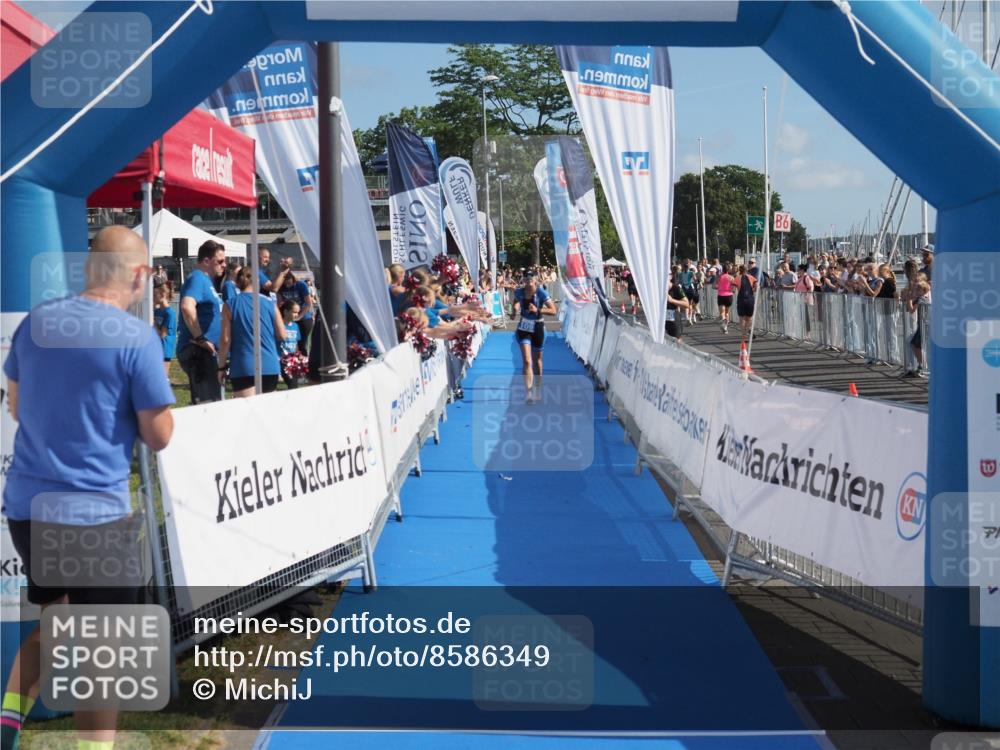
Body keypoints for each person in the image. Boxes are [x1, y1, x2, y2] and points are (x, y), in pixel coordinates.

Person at [1, 226, 174, 750]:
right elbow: (158, 435)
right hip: (93, 514)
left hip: (28, 509)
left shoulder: (37, 322)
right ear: (139, 275)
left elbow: (17, 405)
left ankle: (7, 724)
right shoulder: (136, 337)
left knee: (56, 624)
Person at [217, 268, 286, 397]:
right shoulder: (270, 304)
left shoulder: (230, 305)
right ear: (258, 282)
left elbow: (225, 339)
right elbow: (282, 334)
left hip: (243, 365)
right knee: (266, 408)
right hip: (269, 364)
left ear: (237, 283)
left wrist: (221, 367)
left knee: (247, 408)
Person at [177, 240, 226, 404]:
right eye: (220, 261)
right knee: (208, 406)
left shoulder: (206, 281)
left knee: (213, 404)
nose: (224, 265)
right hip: (199, 352)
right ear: (206, 261)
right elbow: (187, 306)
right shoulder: (197, 278)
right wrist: (200, 338)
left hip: (206, 352)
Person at [512, 279, 557, 403]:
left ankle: (537, 387)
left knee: (537, 361)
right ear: (524, 280)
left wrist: (538, 310)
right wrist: (514, 310)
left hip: (538, 327)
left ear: (535, 280)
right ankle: (528, 393)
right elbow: (516, 301)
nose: (529, 280)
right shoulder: (519, 292)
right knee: (527, 360)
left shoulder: (541, 293)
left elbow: (553, 310)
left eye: (531, 277)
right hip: (524, 327)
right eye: (527, 277)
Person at [153, 280, 178, 377]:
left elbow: (162, 335)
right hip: (156, 348)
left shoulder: (170, 313)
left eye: (155, 295)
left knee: (162, 377)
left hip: (164, 350)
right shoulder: (156, 311)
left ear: (163, 295)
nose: (153, 298)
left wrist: (153, 322)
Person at [279, 300, 302, 389]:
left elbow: (296, 343)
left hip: (292, 360)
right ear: (286, 311)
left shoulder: (296, 326)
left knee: (294, 385)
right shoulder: (279, 325)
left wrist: (297, 356)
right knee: (292, 383)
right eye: (294, 312)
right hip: (281, 360)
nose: (297, 315)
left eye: (298, 312)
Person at [665, 267, 689, 342]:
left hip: (674, 318)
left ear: (671, 276)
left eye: (666, 275)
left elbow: (686, 304)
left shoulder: (676, 288)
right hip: (661, 319)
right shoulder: (657, 289)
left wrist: (672, 300)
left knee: (677, 342)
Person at [735, 263, 757, 337]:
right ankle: (747, 330)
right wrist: (752, 290)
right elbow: (756, 287)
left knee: (742, 318)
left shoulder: (737, 278)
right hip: (750, 299)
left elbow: (733, 289)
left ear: (740, 270)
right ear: (747, 269)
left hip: (741, 299)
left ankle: (743, 334)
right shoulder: (752, 277)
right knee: (749, 317)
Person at [716, 263, 735, 334]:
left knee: (722, 312)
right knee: (727, 312)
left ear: (722, 270)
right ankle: (725, 327)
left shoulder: (719, 277)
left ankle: (723, 324)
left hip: (721, 295)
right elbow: (733, 289)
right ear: (728, 270)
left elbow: (714, 286)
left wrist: (719, 287)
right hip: (729, 296)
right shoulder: (731, 277)